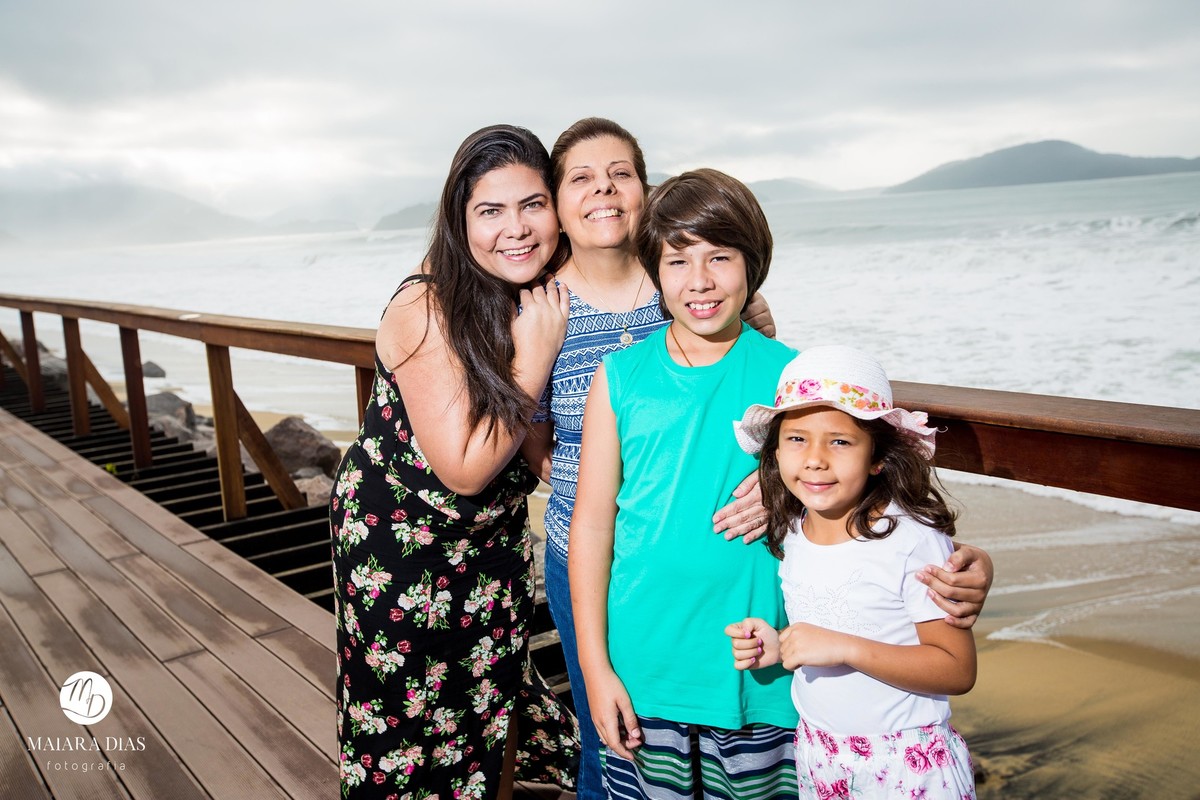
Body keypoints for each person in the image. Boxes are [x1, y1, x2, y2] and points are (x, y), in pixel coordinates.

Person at [538, 120, 994, 798]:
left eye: (720, 257)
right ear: (653, 268)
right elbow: (593, 527)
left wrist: (967, 564)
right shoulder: (620, 376)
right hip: (644, 665)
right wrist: (597, 669)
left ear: (753, 265)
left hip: (762, 674)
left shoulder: (793, 381)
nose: (700, 280)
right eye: (677, 260)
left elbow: (865, 489)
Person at [329, 124, 578, 799]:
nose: (516, 228)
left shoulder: (537, 287)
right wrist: (537, 353)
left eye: (533, 204)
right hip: (402, 553)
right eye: (490, 211)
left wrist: (747, 314)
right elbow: (465, 467)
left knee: (489, 721)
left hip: (492, 543)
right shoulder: (427, 304)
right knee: (411, 743)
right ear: (459, 220)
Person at [726, 345, 976, 799]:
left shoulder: (910, 540)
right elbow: (831, 633)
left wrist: (843, 648)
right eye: (797, 439)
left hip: (906, 765)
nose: (815, 458)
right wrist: (779, 646)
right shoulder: (795, 531)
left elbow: (957, 669)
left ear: (877, 456)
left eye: (839, 441)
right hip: (820, 756)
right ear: (775, 452)